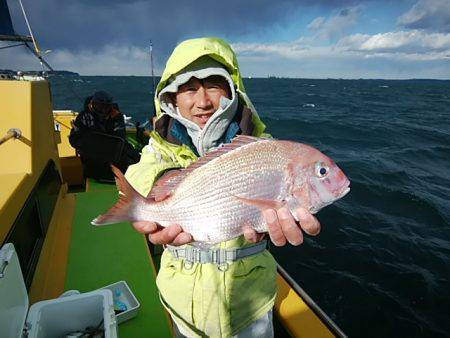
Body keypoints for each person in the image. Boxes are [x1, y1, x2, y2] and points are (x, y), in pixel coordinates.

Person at [125, 37, 321, 337]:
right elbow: (143, 169)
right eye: (189, 88)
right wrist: (161, 182)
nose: (202, 101)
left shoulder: (262, 146)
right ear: (172, 98)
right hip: (181, 305)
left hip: (249, 307)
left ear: (232, 91)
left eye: (214, 86)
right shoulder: (160, 145)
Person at [69, 90, 140, 180]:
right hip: (91, 154)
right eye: (100, 105)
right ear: (93, 104)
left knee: (133, 156)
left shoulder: (116, 116)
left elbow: (120, 138)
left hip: (112, 154)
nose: (104, 109)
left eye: (107, 106)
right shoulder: (84, 116)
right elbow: (74, 139)